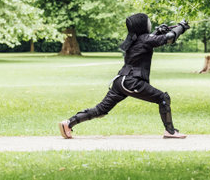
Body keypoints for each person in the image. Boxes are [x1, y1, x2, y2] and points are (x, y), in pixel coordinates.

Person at [59, 13, 190, 139]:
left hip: (121, 81)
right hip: (132, 82)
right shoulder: (145, 40)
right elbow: (170, 38)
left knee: (101, 110)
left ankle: (68, 123)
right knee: (163, 98)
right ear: (142, 26)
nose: (149, 23)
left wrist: (158, 32)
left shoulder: (134, 39)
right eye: (148, 22)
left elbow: (149, 41)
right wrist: (181, 27)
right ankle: (170, 131)